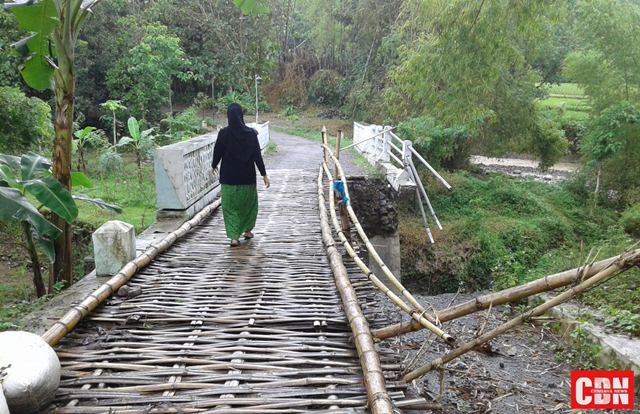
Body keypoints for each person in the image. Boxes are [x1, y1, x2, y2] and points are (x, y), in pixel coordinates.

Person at [211, 103, 270, 247]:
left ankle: (234, 237)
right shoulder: (251, 134)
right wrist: (264, 174)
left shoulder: (223, 134)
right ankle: (247, 231)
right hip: (247, 178)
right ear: (241, 115)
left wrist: (214, 165)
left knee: (230, 208)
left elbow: (217, 152)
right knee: (248, 206)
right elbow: (257, 156)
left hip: (228, 179)